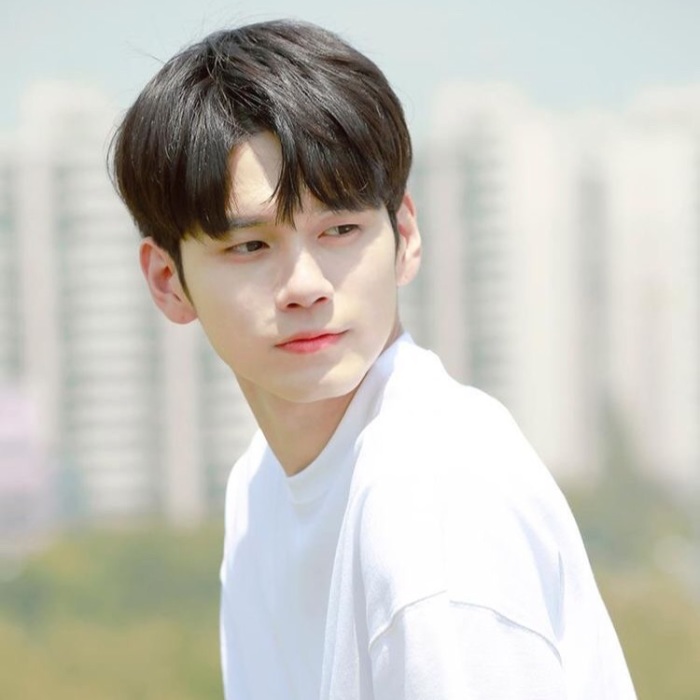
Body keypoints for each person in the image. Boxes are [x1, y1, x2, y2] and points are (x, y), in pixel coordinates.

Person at [111, 19, 636, 700]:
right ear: (167, 281)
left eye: (340, 229)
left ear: (405, 235)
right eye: (250, 246)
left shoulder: (432, 494)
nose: (305, 286)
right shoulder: (258, 489)